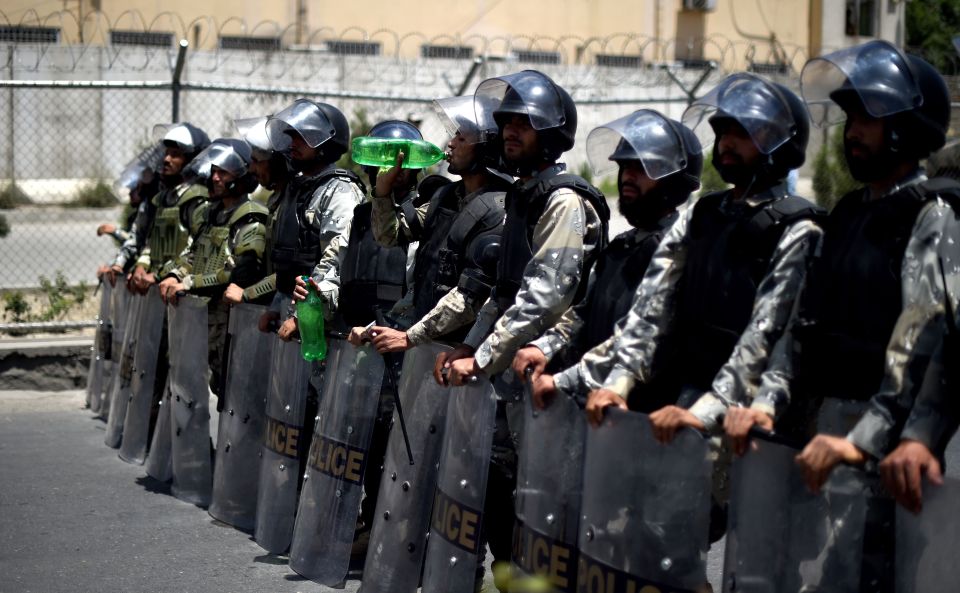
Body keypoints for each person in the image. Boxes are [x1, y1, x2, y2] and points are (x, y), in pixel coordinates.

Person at [764, 42, 958, 513]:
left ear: (905, 128)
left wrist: (869, 438)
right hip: (824, 424)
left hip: (882, 446)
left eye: (868, 119)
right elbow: (804, 319)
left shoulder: (930, 216)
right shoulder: (850, 212)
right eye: (851, 120)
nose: (853, 132)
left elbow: (922, 342)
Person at [434, 70, 609, 592]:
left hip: (549, 370)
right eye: (506, 122)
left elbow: (545, 296)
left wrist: (481, 357)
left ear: (551, 133)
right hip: (510, 368)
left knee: (546, 497)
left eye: (525, 124)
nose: (510, 131)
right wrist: (469, 345)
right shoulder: (521, 196)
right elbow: (503, 290)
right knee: (501, 485)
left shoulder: (563, 201)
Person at [513, 109, 702, 407]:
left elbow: (638, 334)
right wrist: (544, 348)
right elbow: (582, 315)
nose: (628, 176)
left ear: (673, 180)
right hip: (595, 416)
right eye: (626, 167)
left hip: (643, 419)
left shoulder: (681, 253)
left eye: (642, 168)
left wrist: (565, 380)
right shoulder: (622, 248)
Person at [342, 96, 509, 351]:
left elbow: (468, 299)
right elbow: (389, 235)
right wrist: (383, 191)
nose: (450, 144)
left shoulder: (500, 211)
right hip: (426, 350)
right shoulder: (445, 199)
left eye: (461, 139)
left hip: (464, 355)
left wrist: (410, 337)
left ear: (486, 149)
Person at [157, 139, 269, 401]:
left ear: (241, 176)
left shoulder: (249, 217)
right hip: (202, 316)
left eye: (223, 172)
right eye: (214, 171)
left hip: (232, 320)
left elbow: (237, 273)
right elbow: (193, 253)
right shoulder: (211, 214)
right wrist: (175, 274)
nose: (215, 177)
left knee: (232, 390)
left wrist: (188, 284)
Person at [258, 99, 365, 336]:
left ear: (325, 143)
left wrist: (301, 315)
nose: (292, 143)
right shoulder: (299, 187)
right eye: (291, 136)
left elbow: (337, 260)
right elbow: (291, 266)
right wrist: (277, 307)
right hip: (295, 312)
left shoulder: (340, 190)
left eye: (302, 137)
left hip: (323, 320)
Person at [106, 123, 210, 292]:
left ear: (191, 161)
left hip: (180, 287)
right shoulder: (164, 198)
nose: (166, 159)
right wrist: (141, 266)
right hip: (159, 285)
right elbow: (152, 242)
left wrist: (162, 275)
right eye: (166, 153)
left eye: (175, 155)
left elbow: (196, 249)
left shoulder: (197, 199)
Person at [223, 115, 292, 307]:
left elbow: (291, 271)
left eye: (257, 161)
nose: (251, 169)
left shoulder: (295, 203)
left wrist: (247, 293)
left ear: (277, 162)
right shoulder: (278, 199)